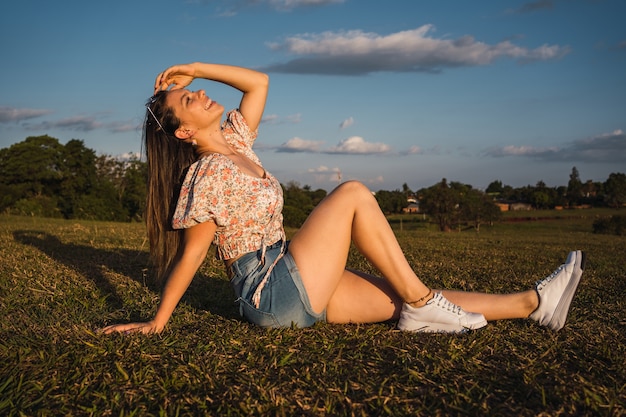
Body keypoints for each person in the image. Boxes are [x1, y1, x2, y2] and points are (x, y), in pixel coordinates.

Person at [103, 62, 585, 335]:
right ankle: (423, 303)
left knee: (399, 299)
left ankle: (533, 303)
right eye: (188, 99)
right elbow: (193, 254)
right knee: (352, 192)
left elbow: (260, 82)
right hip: (270, 293)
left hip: (291, 271)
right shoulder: (205, 174)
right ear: (184, 132)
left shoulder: (237, 141)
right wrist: (156, 321)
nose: (201, 92)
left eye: (195, 90)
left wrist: (193, 68)